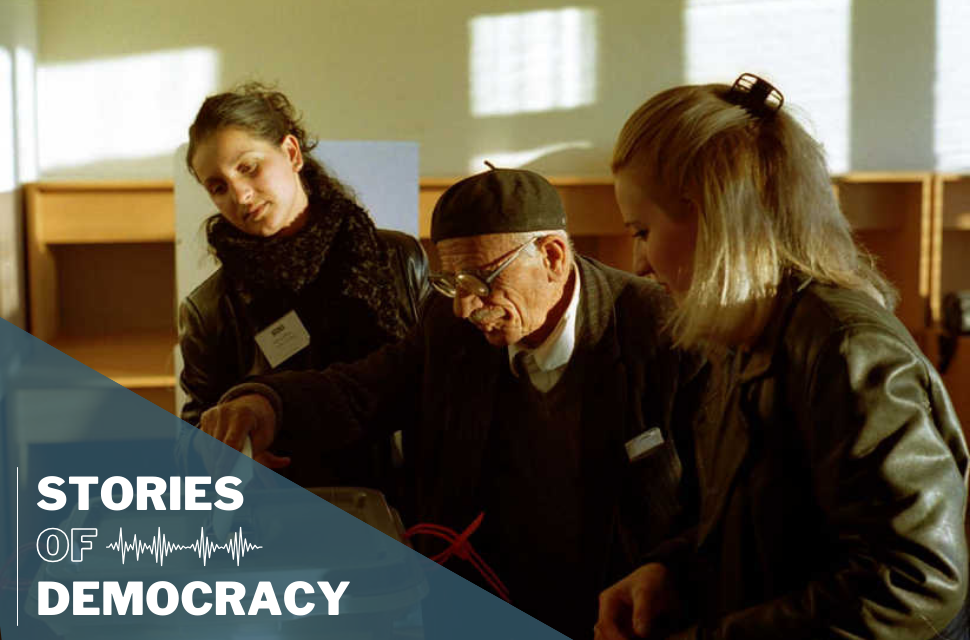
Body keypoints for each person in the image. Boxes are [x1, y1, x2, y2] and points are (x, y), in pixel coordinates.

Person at [194, 165, 704, 639]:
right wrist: (264, 403)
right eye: (451, 282)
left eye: (481, 280)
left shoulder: (662, 332)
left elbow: (716, 508)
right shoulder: (452, 322)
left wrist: (672, 570)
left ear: (551, 256)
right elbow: (362, 390)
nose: (465, 306)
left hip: (612, 618)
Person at [596, 73, 969, 639]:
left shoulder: (845, 347)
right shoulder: (743, 338)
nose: (640, 262)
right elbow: (756, 531)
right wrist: (670, 570)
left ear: (711, 214)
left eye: (642, 230)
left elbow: (913, 583)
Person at [175, 83, 429, 494]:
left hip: (405, 503)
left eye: (248, 167)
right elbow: (196, 433)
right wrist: (228, 457)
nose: (239, 194)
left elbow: (437, 379)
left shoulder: (398, 257)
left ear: (291, 154)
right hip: (286, 507)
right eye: (218, 186)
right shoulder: (211, 307)